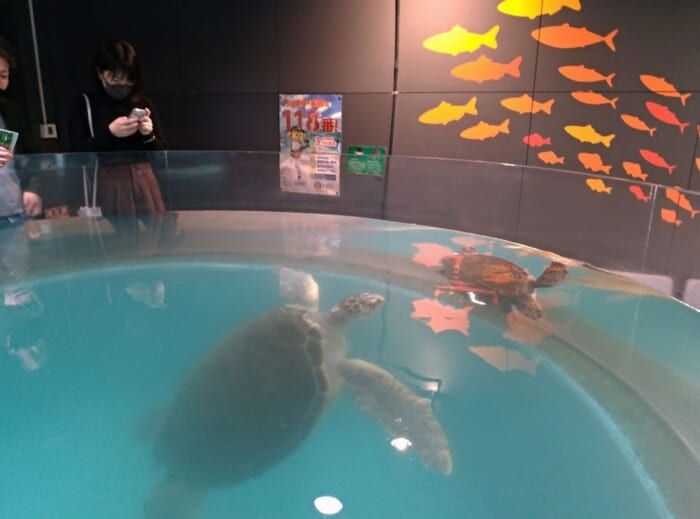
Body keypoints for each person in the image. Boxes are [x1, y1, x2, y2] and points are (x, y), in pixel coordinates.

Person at [68, 40, 166, 215]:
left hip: (145, 178)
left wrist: (147, 134)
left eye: (128, 78)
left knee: (154, 234)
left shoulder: (143, 102)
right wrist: (110, 134)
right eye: (115, 77)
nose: (122, 84)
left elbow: (160, 152)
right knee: (120, 237)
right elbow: (76, 154)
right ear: (100, 73)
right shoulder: (84, 103)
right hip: (109, 180)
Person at [0, 36, 42, 225]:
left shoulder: (12, 111)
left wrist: (33, 188)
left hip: (14, 214)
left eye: (3, 75)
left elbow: (31, 155)